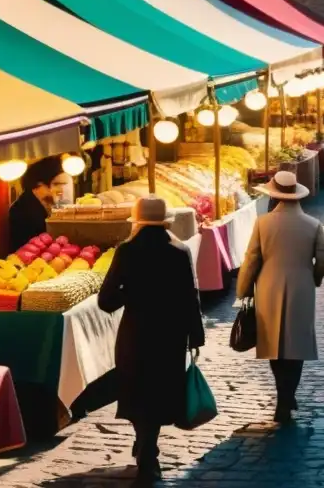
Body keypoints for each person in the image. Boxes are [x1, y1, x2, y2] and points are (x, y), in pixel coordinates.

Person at [98, 197, 205, 482]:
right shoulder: (180, 251)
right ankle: (148, 449)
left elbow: (106, 301)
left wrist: (130, 294)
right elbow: (190, 298)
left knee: (137, 389)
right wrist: (196, 335)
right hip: (170, 334)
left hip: (136, 332)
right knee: (159, 391)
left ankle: (145, 449)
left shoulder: (127, 251)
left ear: (137, 222)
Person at [237, 172, 324, 423]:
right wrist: (315, 277)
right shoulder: (313, 224)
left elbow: (251, 260)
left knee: (274, 345)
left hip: (269, 286)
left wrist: (244, 290)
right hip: (302, 287)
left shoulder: (263, 223)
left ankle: (282, 396)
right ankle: (288, 395)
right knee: (296, 345)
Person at [8, 155, 66, 253]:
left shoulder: (43, 203)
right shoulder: (22, 210)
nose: (60, 190)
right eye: (56, 184)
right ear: (40, 184)